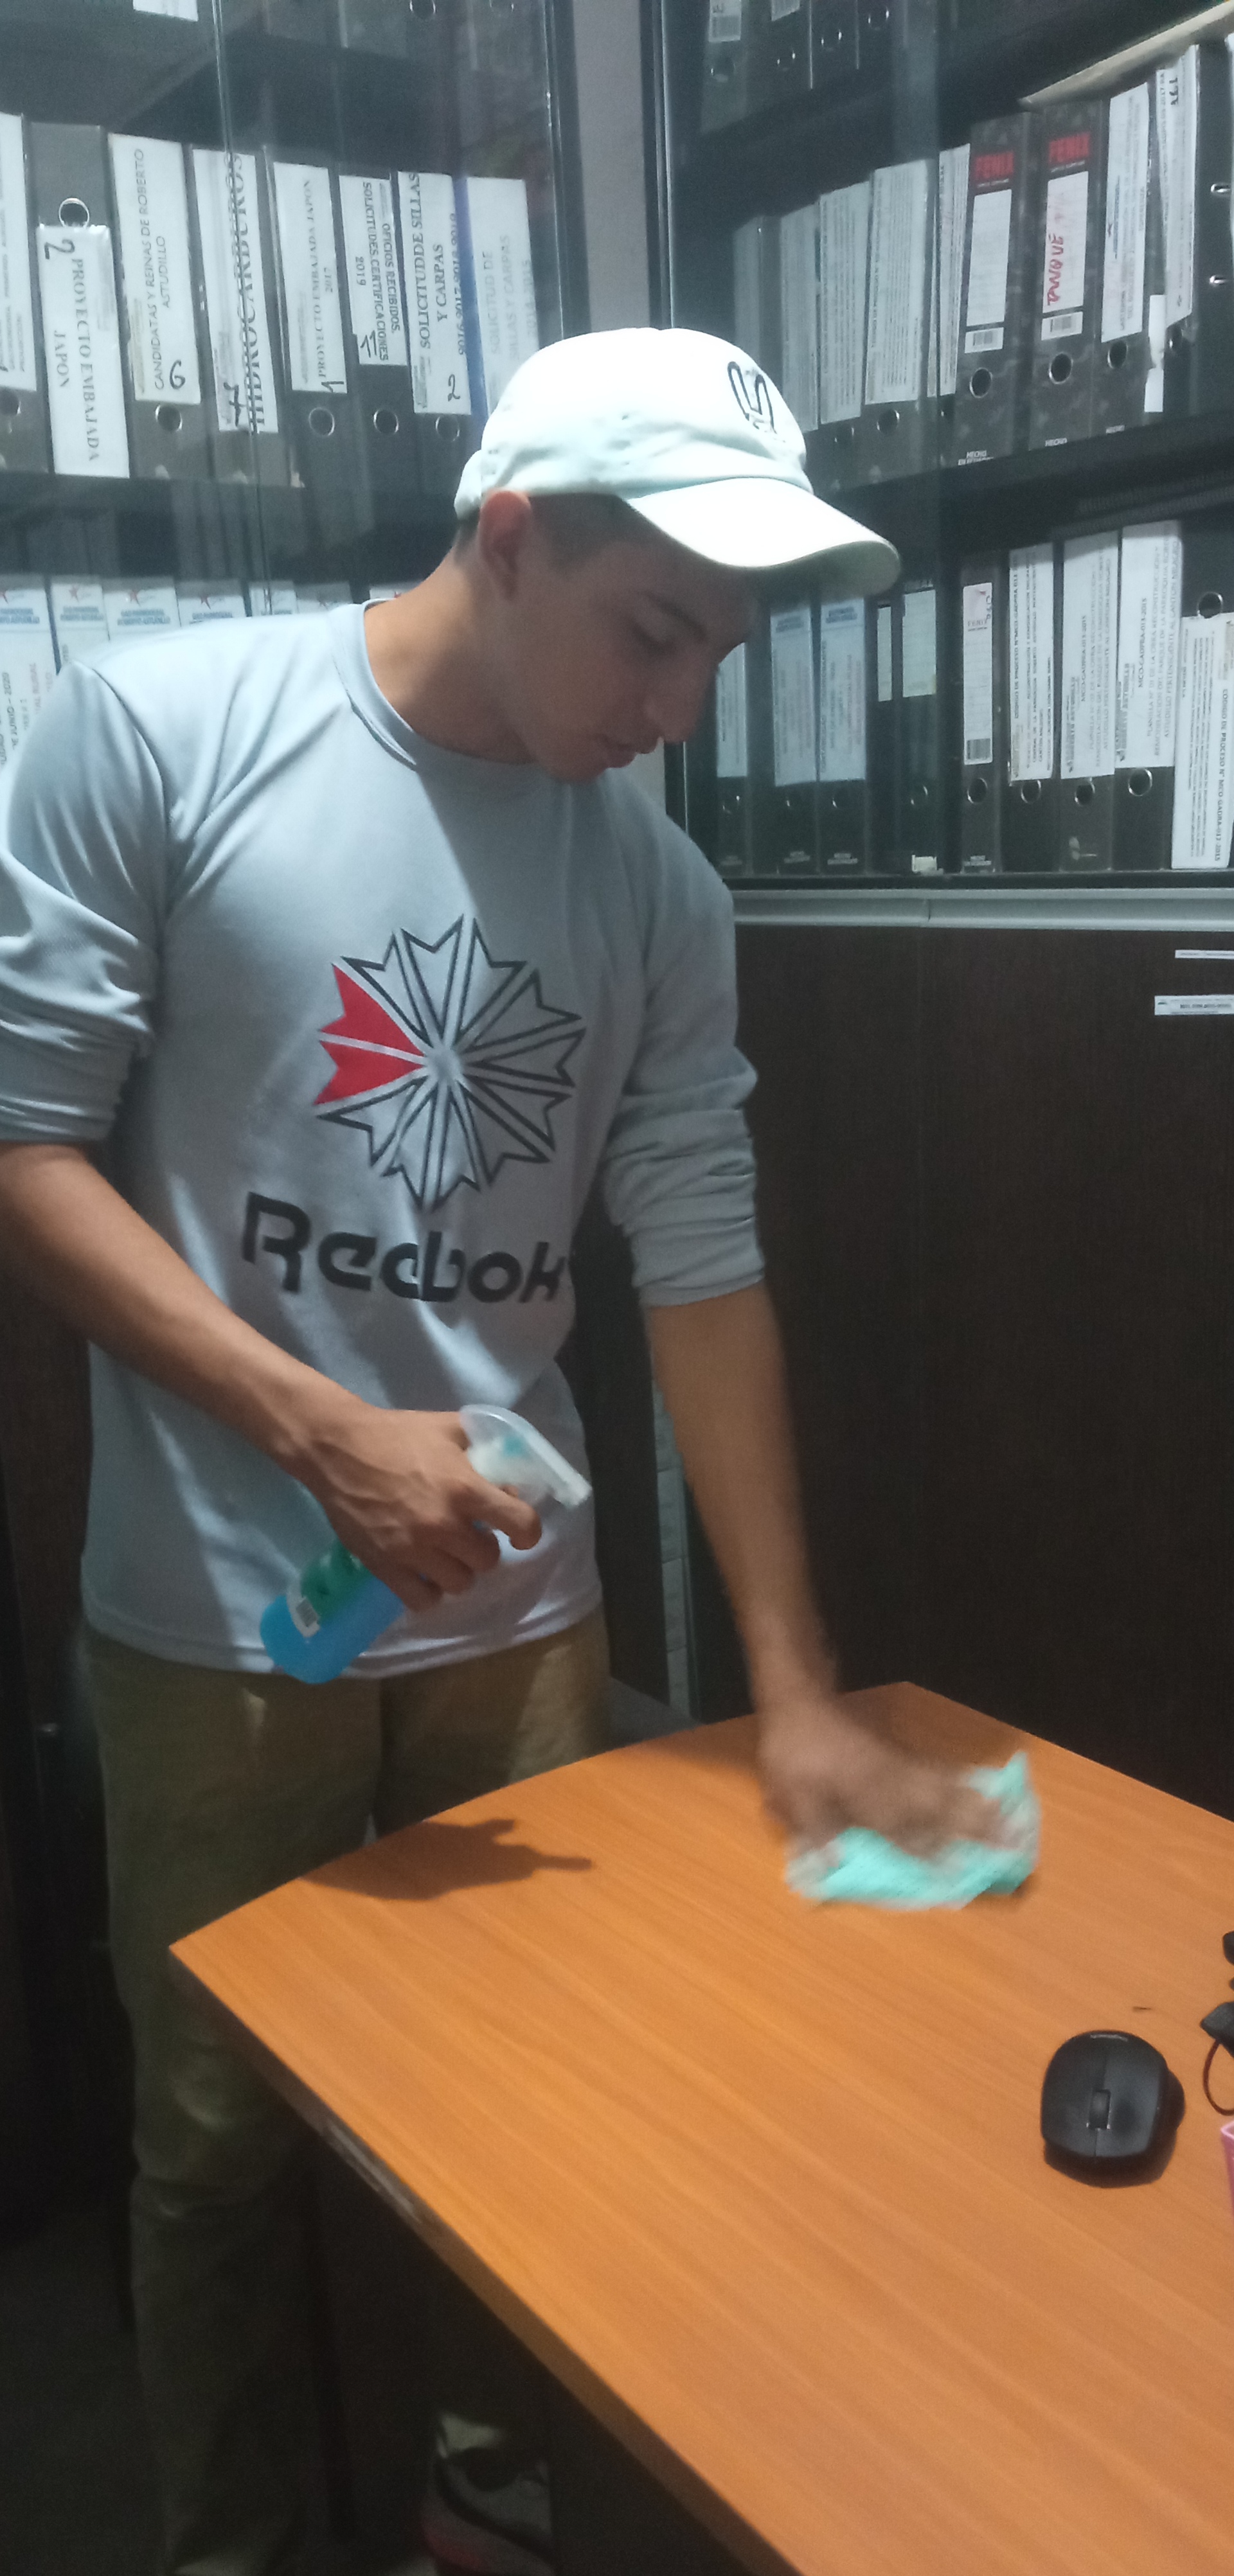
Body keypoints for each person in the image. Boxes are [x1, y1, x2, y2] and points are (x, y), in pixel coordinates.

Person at [0, 327, 1002, 2576]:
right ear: (512, 532)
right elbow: (21, 1146)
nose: (678, 705)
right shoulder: (163, 730)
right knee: (213, 2138)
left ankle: (487, 2490)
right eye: (653, 630)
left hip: (517, 1610)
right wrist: (313, 1427)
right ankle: (239, 2545)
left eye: (719, 653)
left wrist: (792, 1679)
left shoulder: (656, 889)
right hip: (217, 1609)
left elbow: (705, 1261)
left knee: (543, 2102)